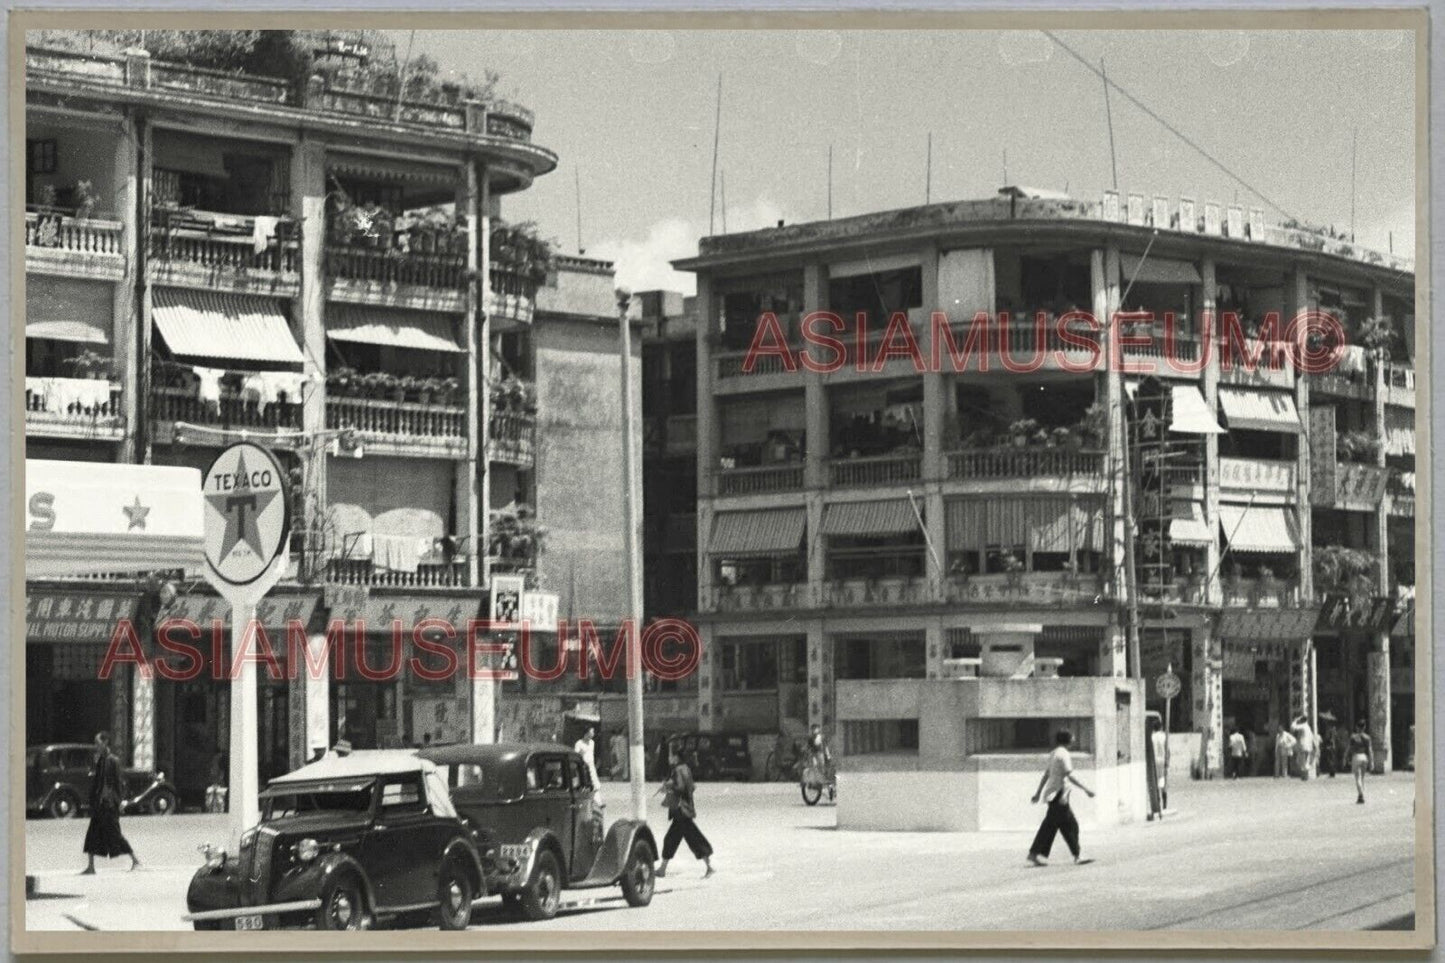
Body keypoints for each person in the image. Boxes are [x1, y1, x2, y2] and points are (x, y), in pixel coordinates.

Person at [1027, 730, 1095, 867]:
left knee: (1051, 826)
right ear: (1067, 739)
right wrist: (1086, 789)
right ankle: (1077, 856)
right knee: (1070, 826)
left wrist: (1039, 792)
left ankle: (1035, 853)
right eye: (1072, 737)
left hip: (1054, 794)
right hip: (1059, 795)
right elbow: (1070, 775)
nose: (1074, 738)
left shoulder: (1054, 753)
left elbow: (1047, 774)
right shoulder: (1063, 754)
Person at [82, 732, 139, 874]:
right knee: (92, 834)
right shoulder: (100, 760)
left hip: (109, 804)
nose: (96, 746)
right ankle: (91, 866)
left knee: (115, 834)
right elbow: (97, 782)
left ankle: (135, 860)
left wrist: (119, 802)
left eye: (98, 743)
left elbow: (119, 783)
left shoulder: (114, 760)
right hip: (99, 804)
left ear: (105, 742)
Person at [656, 746, 715, 879]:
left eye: (672, 755)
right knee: (689, 839)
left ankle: (709, 868)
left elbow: (680, 787)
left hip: (681, 811)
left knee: (681, 840)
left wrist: (667, 788)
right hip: (685, 810)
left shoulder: (677, 769)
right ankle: (662, 869)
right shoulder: (686, 768)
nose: (670, 758)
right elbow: (691, 787)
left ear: (676, 757)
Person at [574, 726, 603, 806]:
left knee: (596, 784)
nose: (593, 734)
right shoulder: (579, 743)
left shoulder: (592, 743)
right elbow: (576, 756)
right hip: (582, 768)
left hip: (591, 766)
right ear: (586, 733)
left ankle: (598, 803)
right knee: (585, 785)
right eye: (591, 732)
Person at [1348, 719, 1374, 804]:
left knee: (1357, 778)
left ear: (1356, 727)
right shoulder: (1367, 737)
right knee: (1362, 778)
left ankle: (1361, 795)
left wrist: (1345, 758)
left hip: (1356, 756)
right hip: (1364, 757)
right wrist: (1372, 761)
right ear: (1364, 727)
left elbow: (1349, 748)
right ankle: (1360, 796)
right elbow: (1370, 750)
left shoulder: (1353, 737)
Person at [1292, 715, 1316, 780]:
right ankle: (1305, 775)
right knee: (1306, 760)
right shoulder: (1308, 728)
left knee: (1302, 761)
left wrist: (1295, 720)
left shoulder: (1303, 726)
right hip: (1308, 746)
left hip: (1303, 746)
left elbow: (1293, 727)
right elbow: (1312, 737)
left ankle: (1304, 776)